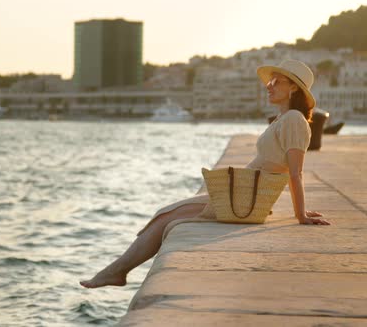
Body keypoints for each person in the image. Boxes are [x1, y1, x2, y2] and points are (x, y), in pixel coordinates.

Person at [80, 59, 331, 289]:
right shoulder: (283, 118)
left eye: (277, 81)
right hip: (242, 191)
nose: (269, 85)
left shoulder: (294, 120)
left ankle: (114, 272)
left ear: (294, 88)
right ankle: (115, 272)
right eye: (270, 80)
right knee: (166, 215)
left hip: (248, 198)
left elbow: (295, 171)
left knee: (167, 220)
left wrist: (301, 215)